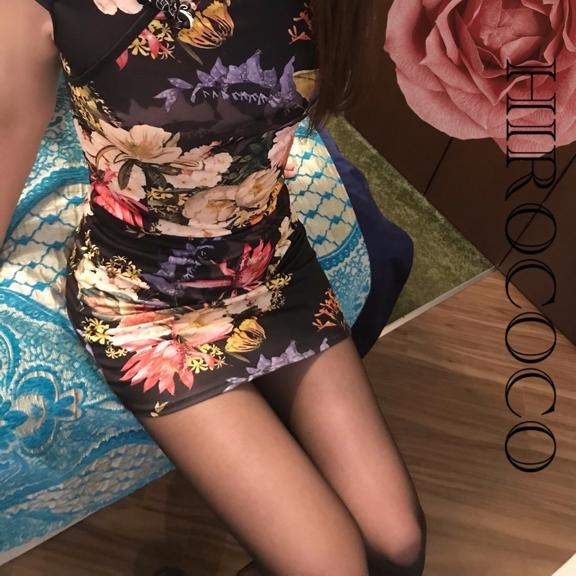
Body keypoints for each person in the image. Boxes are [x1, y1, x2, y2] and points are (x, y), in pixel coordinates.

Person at [2, 1, 427, 574]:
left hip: (271, 265)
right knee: (334, 563)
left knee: (398, 544)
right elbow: (8, 130)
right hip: (144, 301)